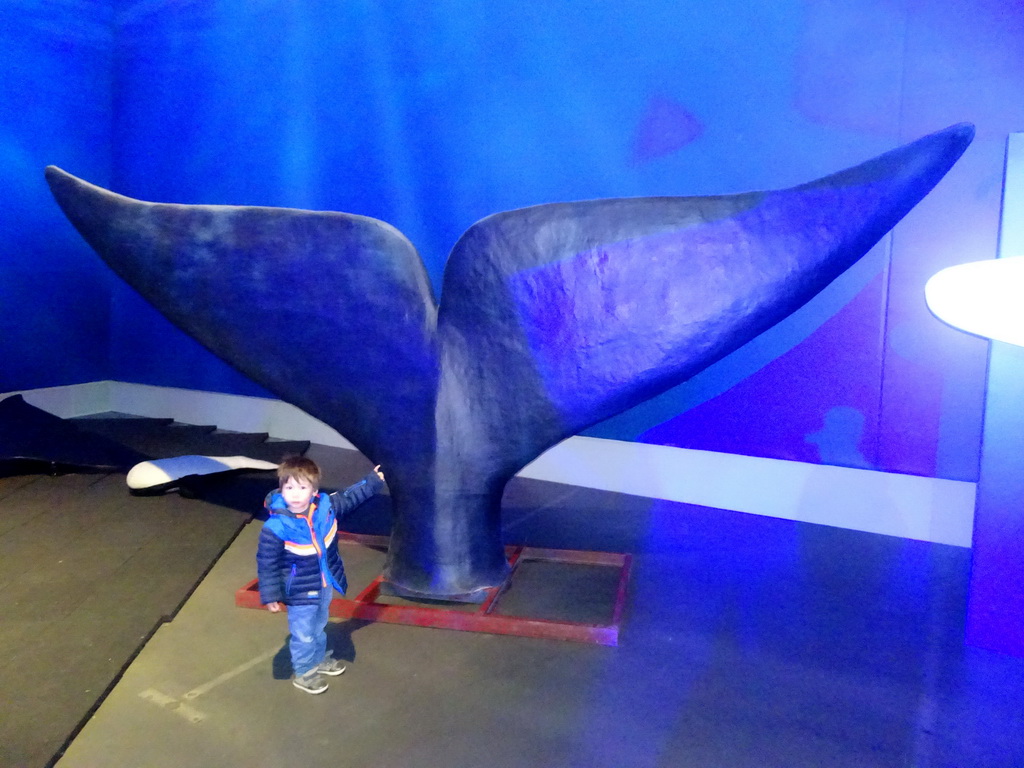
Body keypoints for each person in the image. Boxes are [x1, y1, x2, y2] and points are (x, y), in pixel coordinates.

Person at [257, 455, 385, 694]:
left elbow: (350, 496)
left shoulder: (325, 508)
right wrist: (270, 594)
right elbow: (267, 563)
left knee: (319, 626)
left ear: (314, 490)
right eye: (289, 487)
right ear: (281, 488)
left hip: (324, 583)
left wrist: (373, 480)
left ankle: (317, 659)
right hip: (299, 591)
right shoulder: (276, 527)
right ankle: (305, 672)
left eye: (302, 487)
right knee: (304, 634)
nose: (295, 494)